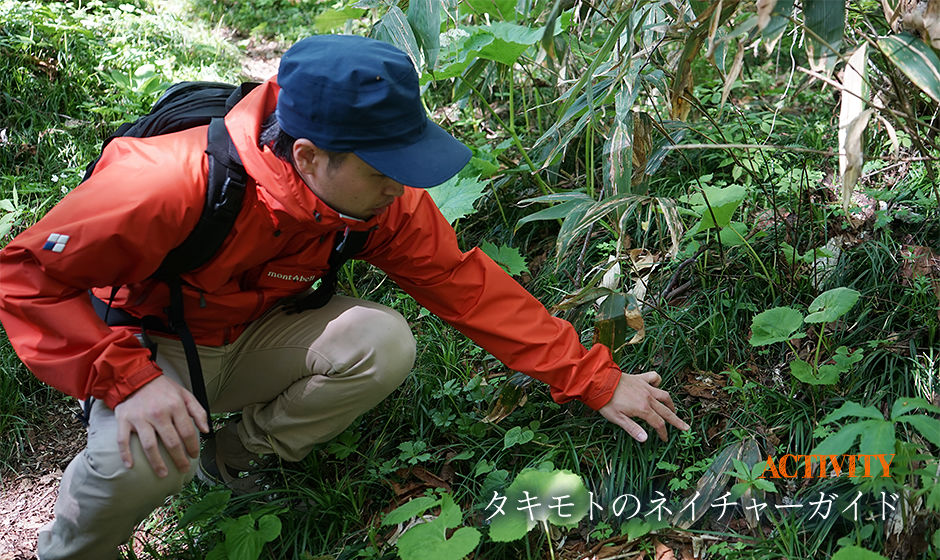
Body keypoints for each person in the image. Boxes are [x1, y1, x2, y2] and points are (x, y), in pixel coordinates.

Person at [0, 34, 689, 559]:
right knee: (144, 457)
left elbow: (465, 286)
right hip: (155, 348)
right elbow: (24, 276)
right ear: (307, 156)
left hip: (259, 336)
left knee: (383, 342)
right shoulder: (166, 182)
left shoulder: (375, 200)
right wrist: (128, 381)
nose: (402, 184)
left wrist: (597, 380)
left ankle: (236, 456)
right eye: (385, 167)